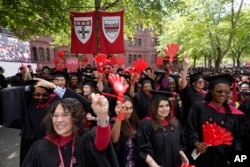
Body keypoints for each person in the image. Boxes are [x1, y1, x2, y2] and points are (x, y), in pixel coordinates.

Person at [22, 94, 118, 167]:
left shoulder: (86, 140)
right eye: (55, 115)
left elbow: (102, 143)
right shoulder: (39, 148)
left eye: (65, 115)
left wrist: (102, 116)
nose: (59, 120)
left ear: (76, 118)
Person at [185, 74, 245, 167]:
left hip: (224, 158)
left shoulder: (234, 113)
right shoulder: (199, 107)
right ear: (211, 91)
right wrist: (196, 143)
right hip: (202, 155)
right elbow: (190, 128)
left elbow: (238, 138)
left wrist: (234, 158)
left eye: (226, 92)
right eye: (219, 91)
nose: (223, 94)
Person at [135, 90, 189, 167]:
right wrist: (153, 165)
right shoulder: (146, 124)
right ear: (154, 107)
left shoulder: (175, 122)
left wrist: (182, 154)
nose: (165, 109)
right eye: (161, 106)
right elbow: (142, 149)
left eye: (167, 105)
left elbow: (181, 142)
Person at [111, 95, 139, 167]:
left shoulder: (134, 121)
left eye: (131, 108)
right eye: (126, 109)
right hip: (122, 161)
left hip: (134, 161)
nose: (129, 111)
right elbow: (114, 139)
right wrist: (119, 117)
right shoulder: (113, 122)